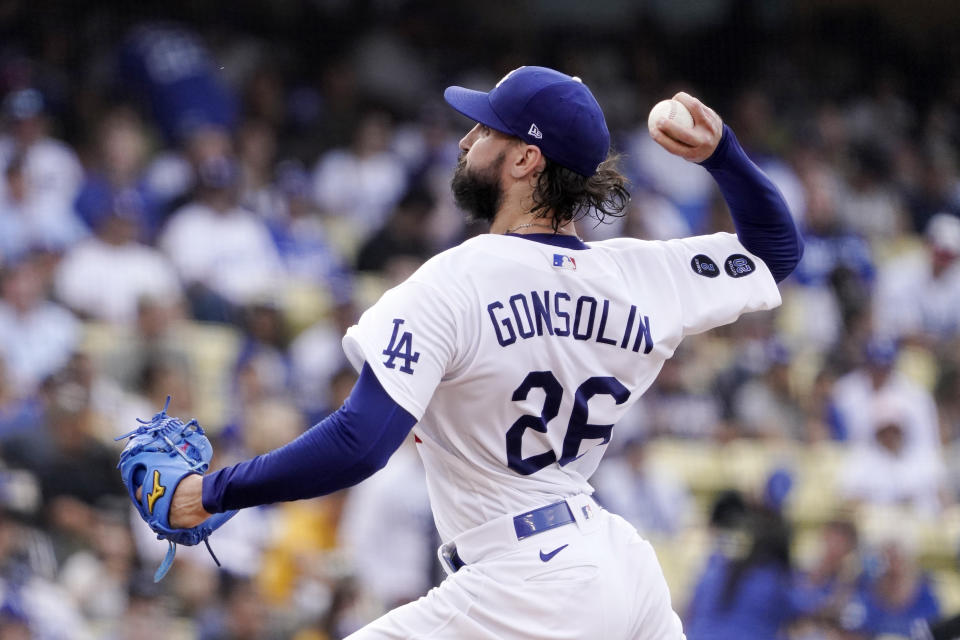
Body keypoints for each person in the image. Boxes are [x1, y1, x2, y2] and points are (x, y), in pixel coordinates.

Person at [159, 66, 802, 638]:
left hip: (528, 581)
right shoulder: (640, 275)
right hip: (621, 569)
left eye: (484, 130)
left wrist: (210, 493)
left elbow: (360, 442)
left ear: (525, 159)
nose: (466, 142)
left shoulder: (457, 279)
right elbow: (776, 252)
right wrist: (723, 155)